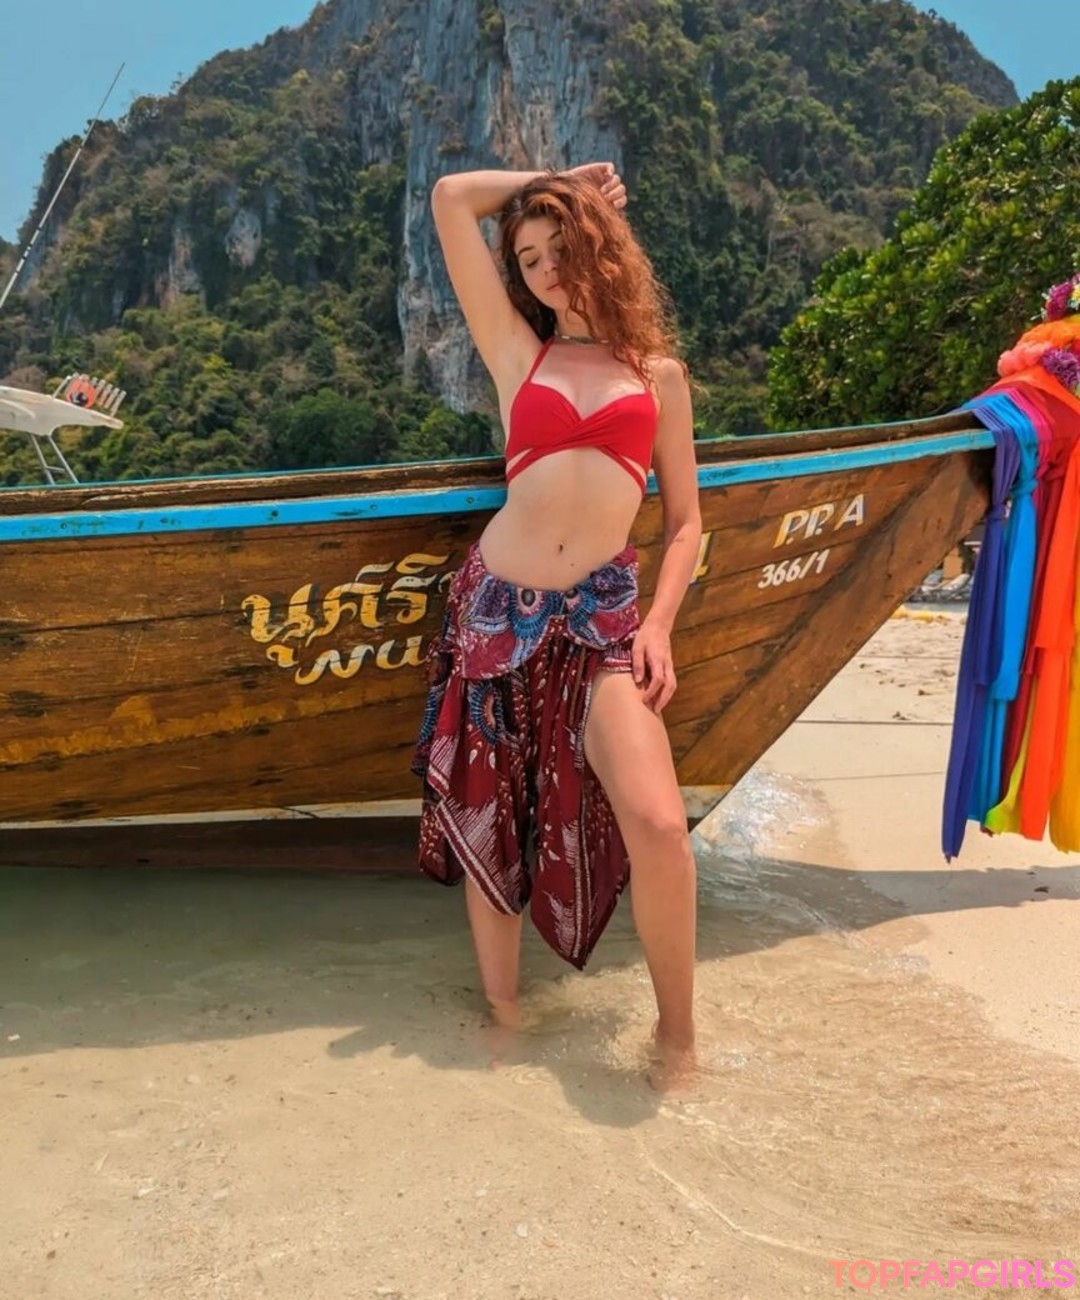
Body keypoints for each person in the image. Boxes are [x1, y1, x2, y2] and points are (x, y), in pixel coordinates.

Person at [411, 163, 702, 1081]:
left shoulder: (657, 377)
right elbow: (451, 197)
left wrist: (659, 625)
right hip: (497, 611)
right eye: (527, 257)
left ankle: (677, 1041)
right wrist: (556, 181)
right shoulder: (516, 353)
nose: (541, 270)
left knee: (660, 825)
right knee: (494, 820)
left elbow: (686, 524)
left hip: (604, 626)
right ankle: (503, 1020)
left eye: (556, 246)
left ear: (597, 244)